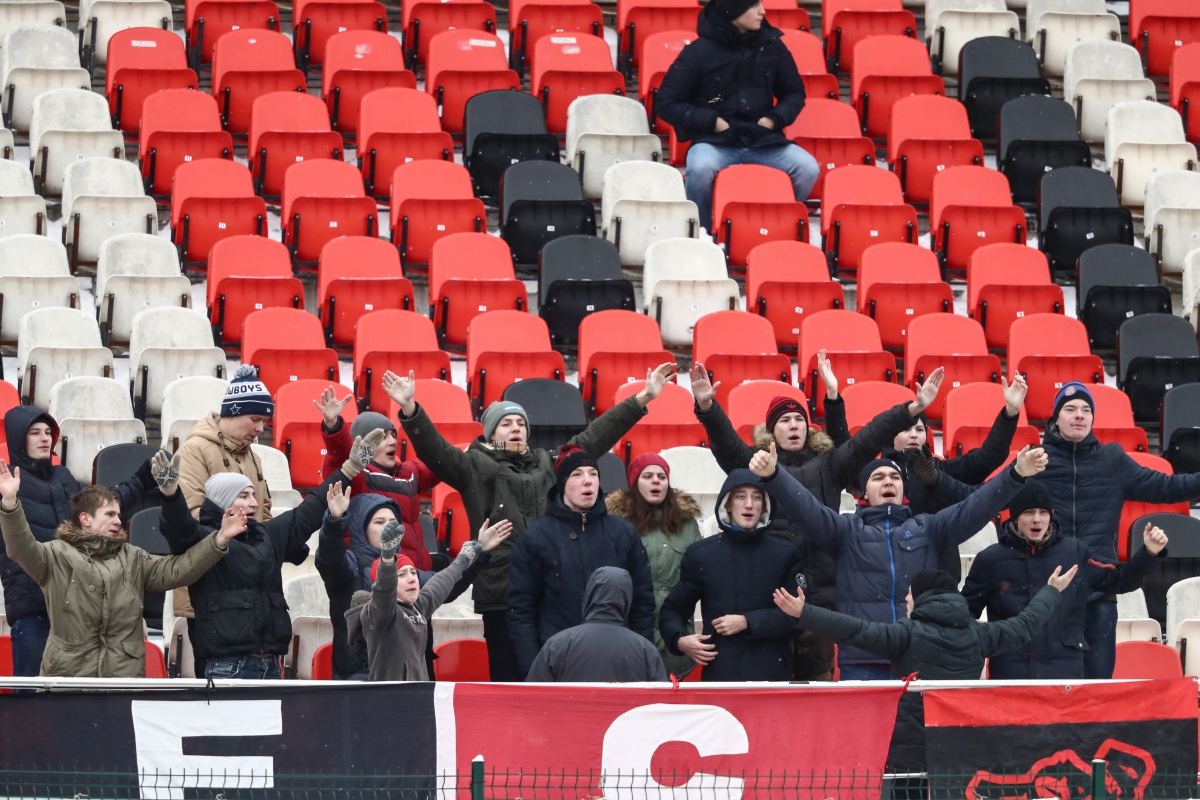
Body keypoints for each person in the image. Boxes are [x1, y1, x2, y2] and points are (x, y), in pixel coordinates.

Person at [385, 363, 676, 682]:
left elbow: (595, 437)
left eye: (521, 423)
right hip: (501, 596)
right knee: (512, 684)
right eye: (506, 423)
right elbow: (435, 450)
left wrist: (642, 398)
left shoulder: (547, 462)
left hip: (551, 595)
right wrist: (410, 409)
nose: (516, 428)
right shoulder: (472, 465)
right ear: (491, 432)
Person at [689, 356, 945, 679]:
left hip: (821, 600)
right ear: (770, 431)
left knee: (817, 688)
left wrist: (912, 408)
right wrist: (708, 407)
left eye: (799, 419)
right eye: (784, 420)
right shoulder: (757, 463)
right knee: (770, 685)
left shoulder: (831, 464)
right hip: (771, 598)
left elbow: (870, 436)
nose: (794, 425)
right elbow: (726, 444)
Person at [748, 442, 1048, 679]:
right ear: (864, 492)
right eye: (878, 477)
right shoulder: (845, 530)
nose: (888, 481)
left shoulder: (929, 528)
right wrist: (775, 476)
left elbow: (975, 508)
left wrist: (1015, 474)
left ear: (904, 489)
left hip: (920, 658)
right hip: (863, 661)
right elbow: (806, 508)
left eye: (894, 477)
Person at [773, 567, 1074, 778]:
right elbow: (1024, 626)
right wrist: (1050, 591)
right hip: (960, 743)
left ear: (921, 597)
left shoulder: (906, 634)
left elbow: (855, 630)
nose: (906, 600)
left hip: (910, 749)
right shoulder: (981, 634)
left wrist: (805, 613)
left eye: (909, 594)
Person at [157, 436, 378, 680]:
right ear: (222, 502)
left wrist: (350, 469)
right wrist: (170, 494)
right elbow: (178, 528)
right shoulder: (204, 538)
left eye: (254, 495)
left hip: (271, 665)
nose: (254, 503)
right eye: (243, 496)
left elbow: (310, 508)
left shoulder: (268, 535)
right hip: (226, 667)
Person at [0, 462, 244, 678]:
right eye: (109, 514)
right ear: (85, 519)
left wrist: (219, 539)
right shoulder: (55, 555)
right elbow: (21, 548)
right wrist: (10, 503)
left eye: (118, 514)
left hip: (122, 681)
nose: (118, 520)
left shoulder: (133, 557)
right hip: (68, 682)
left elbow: (178, 569)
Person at [1037, 380, 1200, 679]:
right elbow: (988, 496)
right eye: (1070, 409)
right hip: (1044, 593)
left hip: (1098, 596)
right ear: (1055, 418)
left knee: (1098, 688)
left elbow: (1165, 486)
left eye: (1086, 410)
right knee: (1047, 689)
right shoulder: (1036, 461)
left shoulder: (1111, 459)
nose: (1079, 415)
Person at [0, 406, 156, 676]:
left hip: (74, 609)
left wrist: (141, 480)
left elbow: (103, 506)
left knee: (72, 696)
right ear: (18, 439)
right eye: (34, 433)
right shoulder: (7, 486)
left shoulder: (63, 477)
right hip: (33, 609)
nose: (44, 438)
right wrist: (8, 499)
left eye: (48, 432)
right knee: (31, 696)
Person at [962, 480, 1168, 679]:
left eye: (1043, 512)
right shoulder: (990, 559)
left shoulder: (1074, 551)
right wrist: (978, 632)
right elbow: (967, 610)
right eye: (1028, 512)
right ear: (1015, 518)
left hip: (1065, 673)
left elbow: (1119, 579)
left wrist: (1150, 553)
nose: (1037, 519)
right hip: (1010, 673)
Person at [654, 0, 819, 234]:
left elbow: (794, 93)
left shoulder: (772, 46)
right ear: (733, 10)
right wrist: (712, 122)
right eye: (754, 5)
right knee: (701, 168)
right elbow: (666, 103)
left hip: (763, 139)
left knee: (807, 168)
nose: (762, 11)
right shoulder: (698, 51)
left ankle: (770, 223)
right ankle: (702, 233)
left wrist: (774, 119)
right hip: (715, 141)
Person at [506, 445, 657, 677]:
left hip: (618, 663)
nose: (588, 481)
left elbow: (643, 604)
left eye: (593, 474)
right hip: (557, 664)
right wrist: (535, 670)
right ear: (562, 484)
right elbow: (521, 611)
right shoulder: (535, 538)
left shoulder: (623, 533)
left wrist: (640, 658)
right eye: (577, 474)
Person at [316, 492, 499, 680]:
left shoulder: (407, 567)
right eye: (379, 522)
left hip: (412, 678)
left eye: (393, 521)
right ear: (361, 527)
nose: (388, 527)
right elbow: (330, 560)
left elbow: (444, 585)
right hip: (358, 676)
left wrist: (477, 553)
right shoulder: (347, 565)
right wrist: (334, 521)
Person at [658, 469, 805, 681]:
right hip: (721, 676)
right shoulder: (702, 554)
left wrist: (748, 622)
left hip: (773, 675)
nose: (749, 504)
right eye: (740, 497)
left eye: (757, 497)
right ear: (727, 504)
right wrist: (679, 639)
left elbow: (798, 616)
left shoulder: (786, 554)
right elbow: (672, 610)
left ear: (765, 506)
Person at [348, 518, 511, 681]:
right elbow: (384, 592)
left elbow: (441, 582)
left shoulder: (418, 606)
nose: (412, 579)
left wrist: (465, 558)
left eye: (413, 572)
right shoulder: (380, 613)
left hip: (419, 695)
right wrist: (388, 558)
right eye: (402, 575)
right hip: (391, 697)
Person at [315, 386, 439, 571]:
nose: (393, 442)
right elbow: (339, 458)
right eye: (383, 437)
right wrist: (333, 427)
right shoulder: (358, 476)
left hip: (415, 574)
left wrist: (471, 453)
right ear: (363, 444)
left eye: (394, 436)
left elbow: (442, 460)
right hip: (376, 575)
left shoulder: (409, 472)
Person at [605, 452, 702, 678]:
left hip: (678, 641)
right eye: (647, 476)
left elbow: (700, 577)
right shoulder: (617, 525)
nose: (656, 481)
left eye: (661, 476)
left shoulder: (688, 524)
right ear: (634, 483)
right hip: (631, 638)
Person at [883, 375, 1029, 516]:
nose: (914, 435)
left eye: (920, 430)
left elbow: (988, 457)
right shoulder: (878, 472)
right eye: (906, 429)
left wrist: (1010, 413)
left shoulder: (939, 468)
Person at [526, 567, 669, 683]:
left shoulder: (559, 644)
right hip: (627, 712)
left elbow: (532, 694)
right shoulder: (646, 650)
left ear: (590, 594)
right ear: (627, 598)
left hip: (570, 711)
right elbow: (661, 702)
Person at [177, 364, 276, 522]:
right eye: (255, 419)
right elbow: (192, 515)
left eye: (264, 421)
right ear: (232, 413)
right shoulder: (194, 451)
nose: (260, 428)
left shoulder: (254, 459)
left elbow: (263, 516)